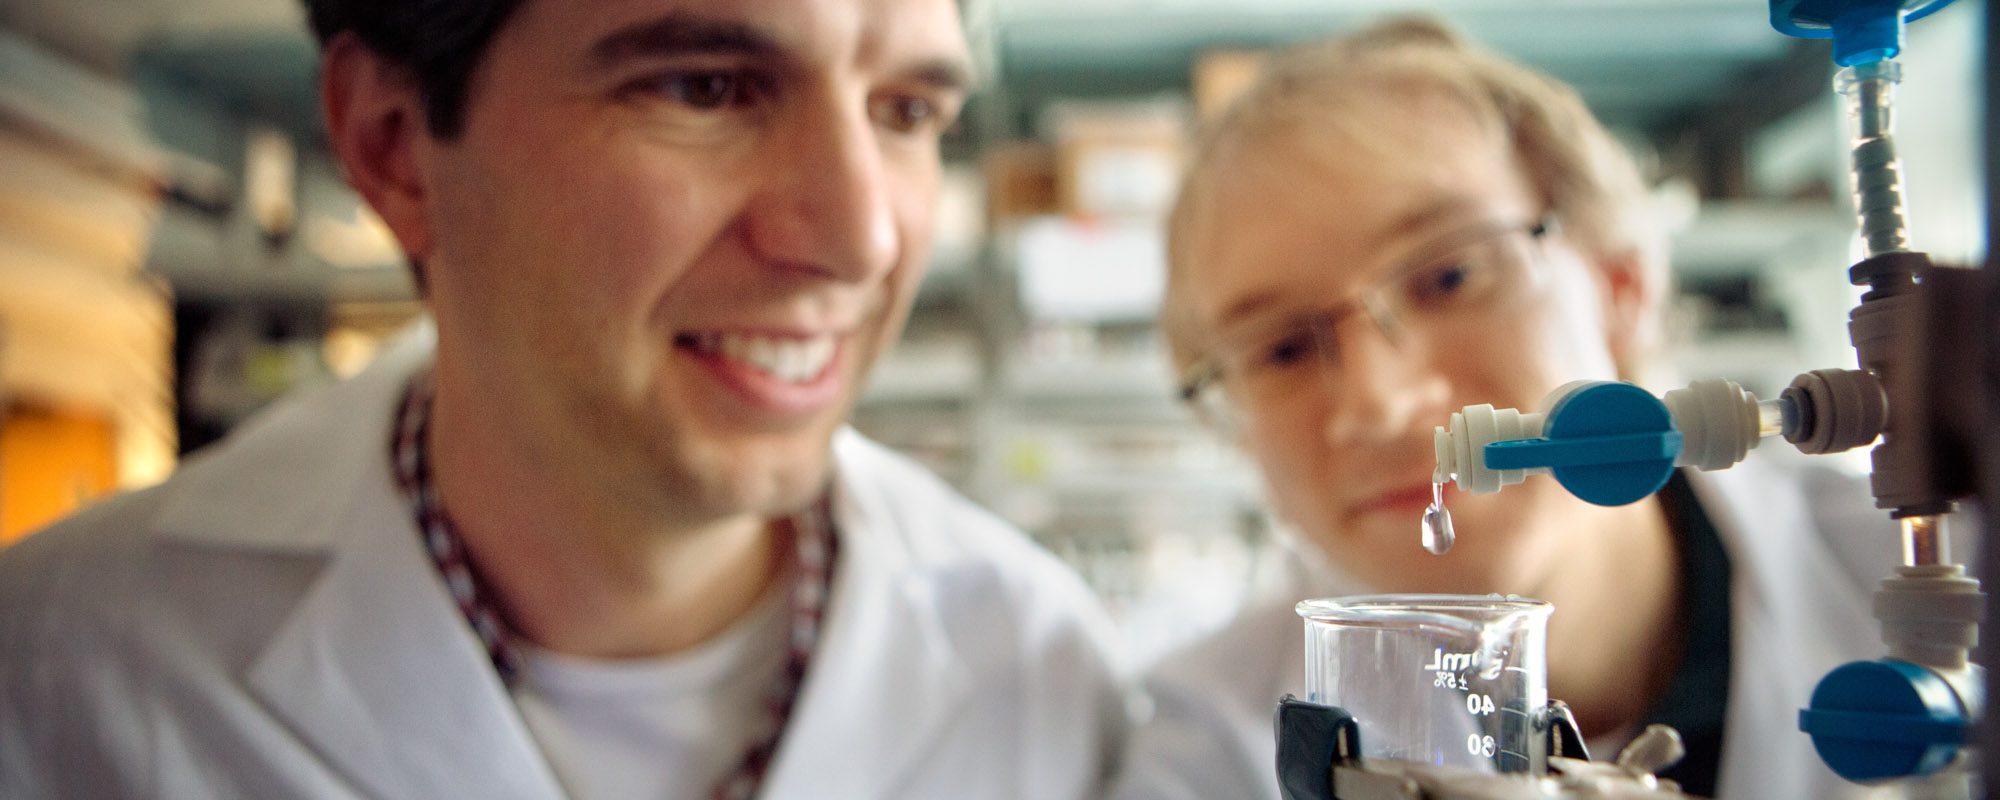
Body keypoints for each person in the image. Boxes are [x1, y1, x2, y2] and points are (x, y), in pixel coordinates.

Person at [0, 2, 1131, 798]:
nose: (859, 237)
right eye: (707, 88)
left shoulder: (1041, 672)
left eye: (905, 113)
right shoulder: (60, 666)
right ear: (393, 146)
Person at [1113, 18, 1903, 800]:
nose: (1379, 405)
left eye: (1450, 277)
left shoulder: (1918, 572)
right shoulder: (1212, 744)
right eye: (1281, 348)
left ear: (1620, 287)